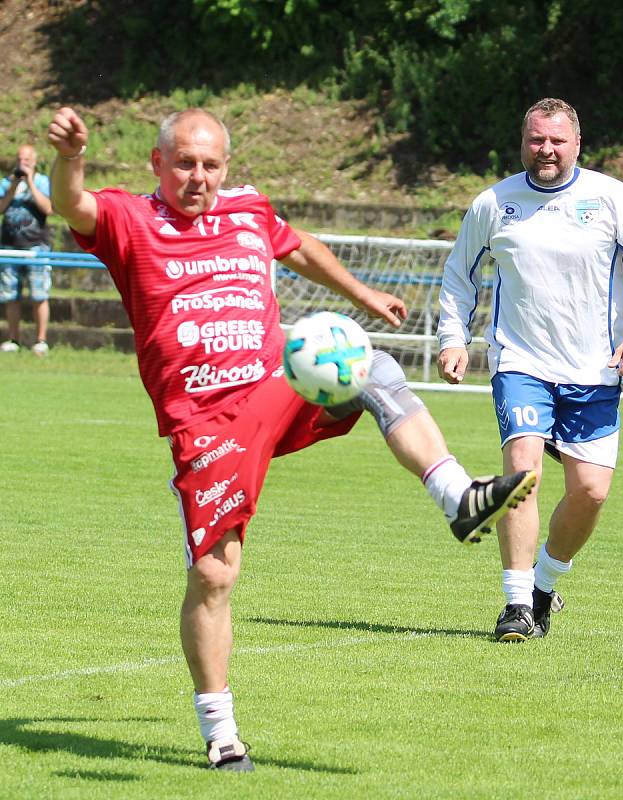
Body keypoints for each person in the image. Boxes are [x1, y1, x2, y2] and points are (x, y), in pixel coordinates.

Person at [47, 106, 535, 770]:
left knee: (372, 366)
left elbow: (299, 247)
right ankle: (221, 732)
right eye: (184, 163)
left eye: (211, 164)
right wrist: (72, 156)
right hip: (208, 420)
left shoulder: (248, 208)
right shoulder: (131, 220)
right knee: (216, 574)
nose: (198, 177)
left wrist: (362, 295)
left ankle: (457, 497)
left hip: (278, 380)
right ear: (157, 164)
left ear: (227, 167)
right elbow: (71, 204)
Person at [437, 97, 623, 643]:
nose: (545, 150)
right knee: (523, 471)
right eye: (536, 139)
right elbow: (458, 276)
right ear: (523, 142)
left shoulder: (611, 198)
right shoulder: (494, 204)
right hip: (521, 361)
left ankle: (545, 583)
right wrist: (454, 338)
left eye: (556, 141)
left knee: (590, 492)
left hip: (595, 368)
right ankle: (517, 604)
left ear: (577, 144)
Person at [0, 144, 53, 355]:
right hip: (9, 247)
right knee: (10, 295)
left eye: (28, 160)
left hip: (36, 247)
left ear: (35, 161)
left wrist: (30, 182)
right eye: (21, 160)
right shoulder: (6, 182)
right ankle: (14, 339)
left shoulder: (42, 182)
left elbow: (48, 208)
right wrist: (14, 186)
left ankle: (41, 340)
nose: (24, 164)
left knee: (39, 295)